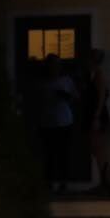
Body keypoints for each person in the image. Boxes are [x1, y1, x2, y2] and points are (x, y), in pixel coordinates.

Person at [37, 54, 78, 194]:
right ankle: (48, 181)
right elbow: (36, 102)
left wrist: (65, 96)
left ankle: (63, 182)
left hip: (64, 121)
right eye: (52, 64)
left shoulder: (66, 81)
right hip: (46, 122)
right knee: (48, 154)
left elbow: (75, 98)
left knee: (63, 154)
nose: (54, 67)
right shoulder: (42, 82)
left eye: (57, 64)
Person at [83, 49, 110, 194]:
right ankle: (103, 182)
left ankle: (105, 183)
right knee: (95, 149)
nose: (86, 62)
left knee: (98, 148)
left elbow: (101, 97)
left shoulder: (99, 75)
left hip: (98, 116)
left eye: (89, 59)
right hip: (94, 115)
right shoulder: (93, 75)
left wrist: (96, 117)